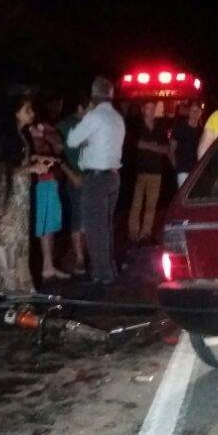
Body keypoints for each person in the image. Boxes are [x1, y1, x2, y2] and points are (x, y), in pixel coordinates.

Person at [0, 95, 50, 292]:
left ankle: (17, 282)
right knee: (9, 236)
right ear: (16, 113)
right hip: (11, 194)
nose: (32, 113)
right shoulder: (7, 137)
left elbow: (18, 159)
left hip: (21, 193)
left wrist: (36, 158)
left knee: (19, 236)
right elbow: (2, 167)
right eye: (28, 110)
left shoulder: (21, 135)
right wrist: (32, 168)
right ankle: (7, 283)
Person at [66, 77, 126, 286]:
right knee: (106, 226)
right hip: (113, 176)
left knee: (94, 228)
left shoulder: (94, 116)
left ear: (93, 94)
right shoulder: (117, 117)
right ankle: (109, 268)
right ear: (111, 94)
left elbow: (72, 140)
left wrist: (85, 118)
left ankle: (102, 274)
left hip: (96, 178)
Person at [28, 96, 73, 280]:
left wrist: (44, 135)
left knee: (49, 224)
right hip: (39, 180)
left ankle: (48, 265)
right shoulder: (27, 130)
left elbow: (59, 146)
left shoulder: (43, 128)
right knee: (42, 223)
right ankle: (43, 265)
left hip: (48, 179)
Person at [57, 95, 90, 276]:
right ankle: (79, 257)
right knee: (78, 216)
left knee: (88, 216)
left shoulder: (90, 124)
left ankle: (84, 253)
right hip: (75, 176)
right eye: (89, 107)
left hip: (91, 175)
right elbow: (57, 152)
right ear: (80, 108)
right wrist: (70, 173)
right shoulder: (65, 125)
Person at [128, 101, 169, 243]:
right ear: (143, 110)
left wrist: (147, 145)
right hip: (140, 170)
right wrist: (154, 146)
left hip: (156, 171)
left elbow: (165, 149)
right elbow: (135, 144)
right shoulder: (137, 126)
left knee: (151, 205)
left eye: (152, 108)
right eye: (148, 108)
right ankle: (133, 233)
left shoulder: (160, 127)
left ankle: (146, 233)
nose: (151, 111)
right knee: (137, 203)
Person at [170, 100, 204, 187]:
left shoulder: (201, 131)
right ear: (189, 112)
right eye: (192, 110)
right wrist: (176, 165)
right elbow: (172, 148)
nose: (194, 113)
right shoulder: (180, 127)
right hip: (183, 169)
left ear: (200, 113)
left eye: (197, 111)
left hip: (196, 170)